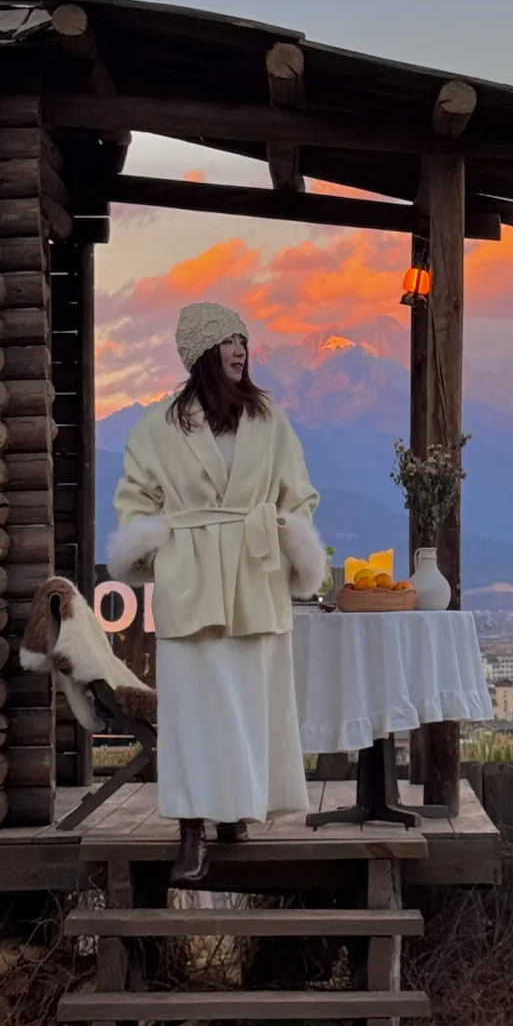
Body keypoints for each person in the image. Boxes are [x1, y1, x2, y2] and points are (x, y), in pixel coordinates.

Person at [107, 301, 326, 887]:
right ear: (202, 353)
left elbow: (299, 493)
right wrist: (165, 551)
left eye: (243, 340)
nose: (239, 350)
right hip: (192, 578)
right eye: (227, 341)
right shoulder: (158, 427)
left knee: (253, 701)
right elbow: (134, 503)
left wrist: (284, 537)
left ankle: (239, 811)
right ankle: (191, 830)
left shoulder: (269, 418)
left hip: (255, 574)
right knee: (193, 710)